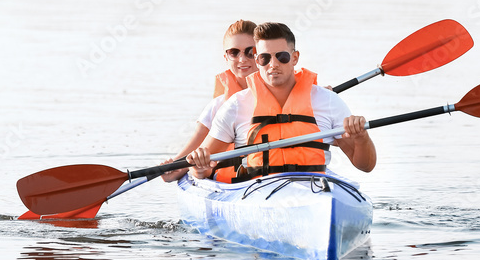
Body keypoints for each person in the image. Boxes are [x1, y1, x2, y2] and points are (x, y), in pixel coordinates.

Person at [186, 22, 376, 181]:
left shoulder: (328, 102)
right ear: (257, 60)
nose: (273, 64)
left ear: (295, 58)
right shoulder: (235, 106)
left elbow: (366, 166)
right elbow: (201, 169)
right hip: (256, 194)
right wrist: (200, 166)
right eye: (265, 58)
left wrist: (361, 138)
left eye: (282, 57)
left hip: (314, 191)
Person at [161, 19, 258, 182]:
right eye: (234, 52)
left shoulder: (280, 97)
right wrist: (170, 170)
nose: (242, 59)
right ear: (226, 57)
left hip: (270, 181)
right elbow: (186, 158)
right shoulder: (218, 107)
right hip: (231, 185)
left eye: (250, 51)